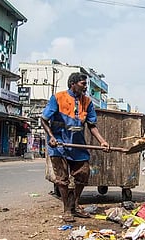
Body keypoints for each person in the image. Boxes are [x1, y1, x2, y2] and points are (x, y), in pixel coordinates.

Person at [41, 72, 109, 223]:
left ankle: (75, 204)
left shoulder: (87, 102)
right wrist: (51, 137)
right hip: (59, 144)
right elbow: (44, 119)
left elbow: (91, 125)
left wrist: (102, 141)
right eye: (83, 84)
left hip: (77, 144)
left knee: (83, 173)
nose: (85, 87)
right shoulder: (58, 98)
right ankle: (67, 209)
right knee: (62, 179)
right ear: (73, 83)